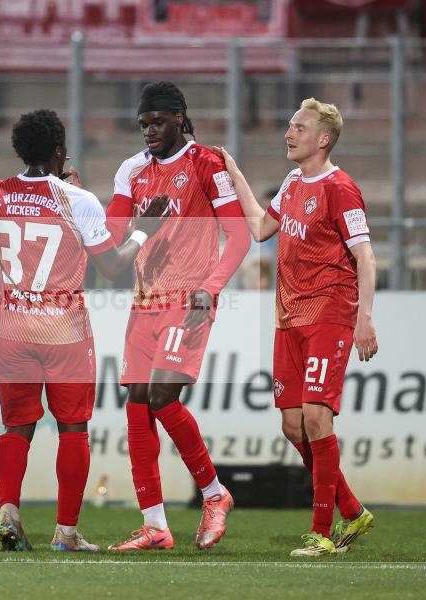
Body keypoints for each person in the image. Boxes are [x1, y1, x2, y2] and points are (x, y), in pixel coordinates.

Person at [0, 109, 170, 552]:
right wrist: (144, 231)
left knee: (16, 428)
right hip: (65, 332)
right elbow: (113, 267)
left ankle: (8, 513)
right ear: (60, 150)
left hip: (12, 329)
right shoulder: (78, 200)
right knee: (73, 429)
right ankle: (65, 533)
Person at [217, 97, 378, 557]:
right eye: (289, 126)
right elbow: (259, 229)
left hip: (330, 313)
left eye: (299, 127)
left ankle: (322, 533)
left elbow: (366, 256)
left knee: (315, 418)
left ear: (323, 139)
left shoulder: (340, 188)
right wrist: (235, 174)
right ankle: (352, 510)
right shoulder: (291, 184)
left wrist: (364, 318)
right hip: (288, 318)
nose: (289, 133)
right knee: (293, 426)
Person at [105, 82, 251, 551]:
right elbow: (111, 239)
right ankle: (155, 525)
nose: (149, 131)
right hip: (144, 301)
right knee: (137, 403)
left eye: (158, 122)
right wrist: (77, 202)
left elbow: (240, 236)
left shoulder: (206, 165)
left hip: (189, 301)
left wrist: (211, 288)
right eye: (143, 124)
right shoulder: (131, 170)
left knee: (163, 397)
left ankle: (214, 493)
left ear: (180, 119)